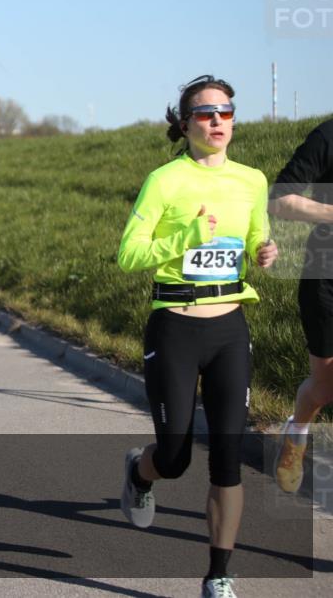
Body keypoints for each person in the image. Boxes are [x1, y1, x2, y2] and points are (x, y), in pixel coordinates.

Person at [117, 75, 278, 598]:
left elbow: (256, 234)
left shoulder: (252, 179)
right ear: (185, 124)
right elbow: (129, 255)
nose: (217, 121)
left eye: (226, 111)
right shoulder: (165, 181)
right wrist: (185, 238)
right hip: (176, 326)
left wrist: (264, 249)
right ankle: (141, 474)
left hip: (230, 326)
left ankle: (218, 575)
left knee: (228, 459)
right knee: (175, 458)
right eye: (206, 113)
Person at [269, 119, 333, 493]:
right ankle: (297, 431)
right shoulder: (327, 137)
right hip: (327, 276)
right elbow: (280, 199)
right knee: (324, 389)